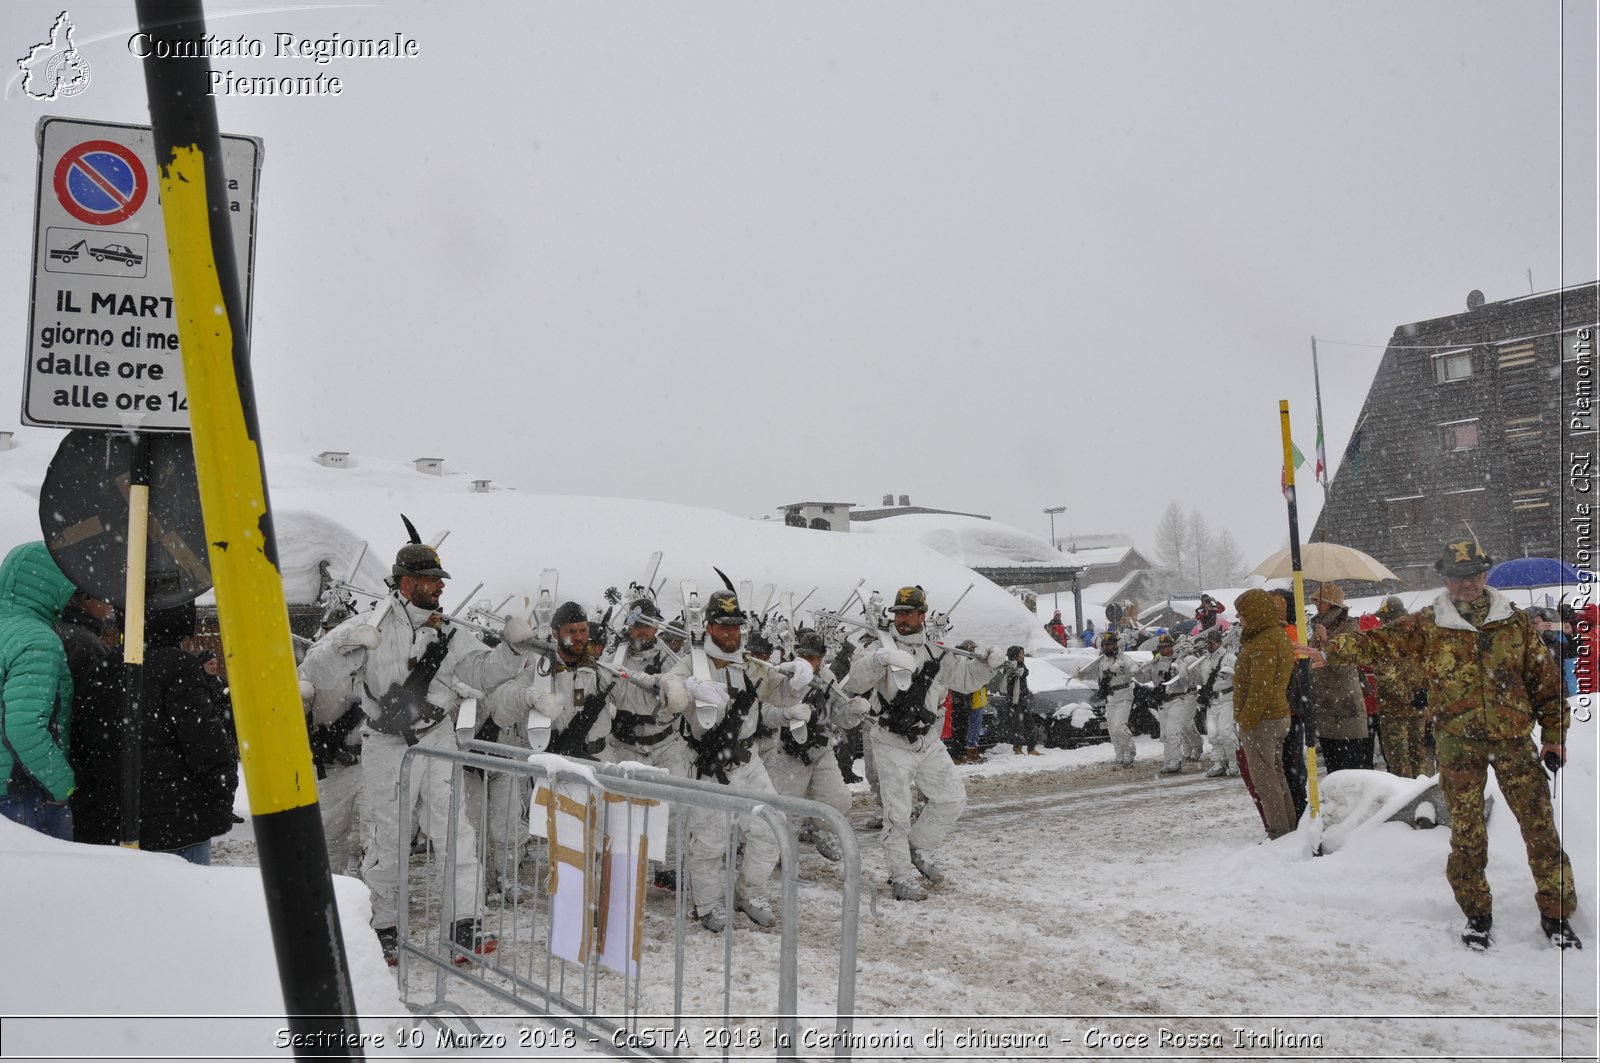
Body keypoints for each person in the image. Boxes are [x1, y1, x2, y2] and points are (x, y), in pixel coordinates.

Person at [1311, 540, 1580, 950]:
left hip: (1513, 743)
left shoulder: (1516, 623)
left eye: (1474, 574)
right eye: (1458, 576)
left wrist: (1554, 739)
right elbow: (1378, 644)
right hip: (1457, 745)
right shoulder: (1428, 622)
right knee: (1468, 837)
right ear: (1446, 579)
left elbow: (1547, 686)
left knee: (1540, 830)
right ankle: (1477, 914)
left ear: (1485, 575)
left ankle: (1557, 915)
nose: (1467, 583)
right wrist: (1328, 650)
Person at [300, 540, 536, 964]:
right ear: (407, 582)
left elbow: (482, 672)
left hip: (438, 738)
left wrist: (511, 650)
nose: (438, 588)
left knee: (455, 834)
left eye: (439, 581)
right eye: (430, 581)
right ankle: (384, 927)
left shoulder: (449, 630)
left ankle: (466, 924)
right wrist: (345, 645)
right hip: (384, 744)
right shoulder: (369, 623)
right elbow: (314, 670)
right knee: (388, 838)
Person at [662, 589, 811, 930]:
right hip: (706, 763)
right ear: (709, 627)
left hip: (747, 758)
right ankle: (709, 905)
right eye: (723, 626)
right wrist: (686, 687)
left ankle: (749, 891)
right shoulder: (692, 663)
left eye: (735, 627)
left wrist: (797, 676)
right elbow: (667, 686)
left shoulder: (752, 666)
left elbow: (781, 692)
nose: (731, 634)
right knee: (709, 841)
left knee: (771, 827)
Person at [843, 586, 1003, 901]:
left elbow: (966, 680)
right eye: (898, 613)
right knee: (897, 813)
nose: (903, 619)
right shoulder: (878, 648)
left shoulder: (936, 653)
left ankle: (920, 846)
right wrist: (881, 659)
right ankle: (901, 876)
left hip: (928, 742)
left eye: (909, 613)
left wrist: (986, 664)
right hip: (891, 741)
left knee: (951, 799)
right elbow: (856, 682)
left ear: (921, 615)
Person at [133, 602, 240, 864]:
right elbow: (206, 744)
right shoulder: (181, 668)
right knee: (189, 892)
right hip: (181, 815)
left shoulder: (117, 661)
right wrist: (223, 788)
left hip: (129, 813)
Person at [762, 628, 866, 862]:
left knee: (838, 799)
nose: (808, 661)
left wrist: (855, 712)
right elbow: (765, 713)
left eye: (813, 657)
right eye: (804, 655)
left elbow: (839, 714)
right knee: (787, 810)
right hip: (788, 751)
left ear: (820, 658)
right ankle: (783, 855)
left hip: (821, 748)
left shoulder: (828, 678)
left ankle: (821, 829)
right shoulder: (782, 675)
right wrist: (787, 714)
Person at [0, 542, 80, 841]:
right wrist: (61, 786)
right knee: (51, 884)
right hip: (24, 794)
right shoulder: (37, 639)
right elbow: (24, 729)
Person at [58, 591, 125, 845]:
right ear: (85, 599)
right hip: (84, 782)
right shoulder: (86, 645)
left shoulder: (55, 632)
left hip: (59, 771)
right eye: (104, 597)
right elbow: (97, 721)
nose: (110, 604)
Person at [1232, 589, 1298, 840]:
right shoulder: (1273, 636)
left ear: (1254, 613)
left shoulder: (1263, 643)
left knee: (1265, 781)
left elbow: (1261, 688)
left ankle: (1280, 833)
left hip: (1263, 720)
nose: (1241, 620)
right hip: (1275, 715)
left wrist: (1246, 722)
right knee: (1276, 776)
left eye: (1243, 615)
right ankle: (1288, 830)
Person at [1307, 583, 1371, 771]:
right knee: (1333, 767)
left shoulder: (1349, 627)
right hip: (1326, 708)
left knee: (1352, 768)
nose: (1316, 603)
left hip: (1346, 707)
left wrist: (1328, 643)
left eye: (1321, 600)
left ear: (1333, 603)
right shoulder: (1317, 626)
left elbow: (1347, 667)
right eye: (1315, 600)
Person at [1370, 597, 1433, 779]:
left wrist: (1408, 696)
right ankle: (1422, 795)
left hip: (1395, 710)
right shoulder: (1420, 633)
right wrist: (1424, 694)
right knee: (1418, 755)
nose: (1381, 621)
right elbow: (1430, 665)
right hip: (1418, 706)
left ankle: (1405, 799)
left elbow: (1384, 673)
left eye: (1383, 618)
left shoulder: (1386, 637)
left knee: (1399, 760)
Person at [1137, 633, 1203, 774]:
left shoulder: (1180, 662)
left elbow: (1189, 683)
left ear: (1172, 647)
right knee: (1165, 734)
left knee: (1173, 732)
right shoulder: (1156, 663)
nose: (1163, 649)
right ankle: (1169, 760)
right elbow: (1143, 678)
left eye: (1166, 647)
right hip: (1162, 702)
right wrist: (1136, 672)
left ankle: (1176, 760)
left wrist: (1181, 672)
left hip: (1177, 699)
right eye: (1161, 647)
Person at [1074, 629, 1138, 768]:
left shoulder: (1124, 659)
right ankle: (1119, 753)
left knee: (1120, 727)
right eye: (1105, 645)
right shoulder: (1101, 661)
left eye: (1110, 644)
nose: (1107, 647)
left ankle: (1130, 750)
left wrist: (1123, 667)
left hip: (1124, 695)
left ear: (1116, 644)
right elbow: (1090, 672)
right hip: (1110, 696)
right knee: (1112, 729)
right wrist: (1080, 674)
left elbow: (1135, 668)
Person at [1184, 627, 1238, 777]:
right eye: (1208, 643)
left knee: (1226, 733)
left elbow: (1241, 677)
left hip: (1227, 700)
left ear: (1220, 643)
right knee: (1213, 735)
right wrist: (1188, 671)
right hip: (1211, 702)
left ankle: (1233, 762)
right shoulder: (1204, 661)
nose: (1210, 646)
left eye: (1213, 643)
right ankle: (1218, 762)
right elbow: (1200, 680)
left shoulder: (1230, 658)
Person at [996, 646, 1041, 756]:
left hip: (1022, 699)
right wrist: (1015, 671)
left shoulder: (1021, 665)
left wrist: (1021, 670)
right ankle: (1018, 748)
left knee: (1029, 724)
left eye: (1023, 653)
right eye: (1021, 653)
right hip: (1014, 701)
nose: (1023, 655)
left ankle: (1031, 748)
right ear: (1015, 655)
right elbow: (1007, 681)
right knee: (1017, 725)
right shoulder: (1009, 666)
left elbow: (1025, 672)